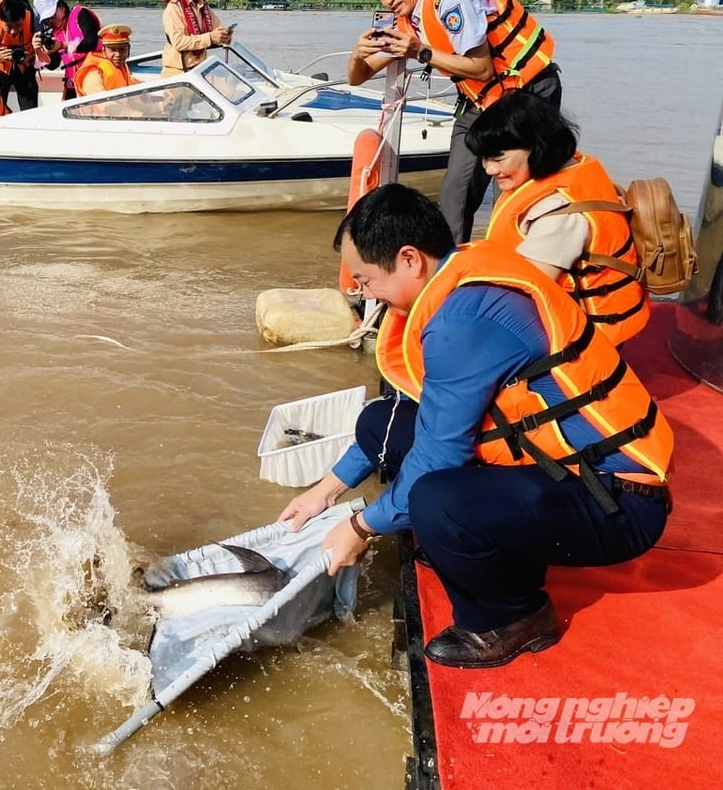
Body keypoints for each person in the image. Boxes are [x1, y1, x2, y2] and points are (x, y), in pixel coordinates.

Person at [278, 183, 672, 668]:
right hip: (558, 471)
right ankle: (485, 544)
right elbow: (406, 416)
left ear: (409, 259)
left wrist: (360, 528)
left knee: (436, 502)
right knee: (381, 421)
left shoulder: (464, 320)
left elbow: (438, 458)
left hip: (619, 501)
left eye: (366, 280)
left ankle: (515, 616)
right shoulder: (457, 273)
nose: (364, 293)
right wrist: (325, 491)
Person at [347, 0, 562, 243]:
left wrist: (420, 52)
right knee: (454, 195)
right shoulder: (409, 22)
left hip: (527, 92)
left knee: (513, 193)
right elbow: (357, 77)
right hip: (483, 100)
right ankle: (450, 264)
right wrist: (357, 54)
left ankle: (512, 260)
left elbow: (482, 68)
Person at [465, 91, 649, 346]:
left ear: (537, 147)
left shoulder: (559, 214)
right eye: (484, 159)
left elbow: (525, 292)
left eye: (498, 158)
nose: (489, 169)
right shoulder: (574, 167)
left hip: (588, 338)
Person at [160, 0, 232, 77]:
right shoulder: (174, 7)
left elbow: (217, 30)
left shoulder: (204, 7)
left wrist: (225, 36)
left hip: (199, 72)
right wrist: (210, 37)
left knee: (229, 86)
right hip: (177, 73)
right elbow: (179, 42)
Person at [31, 0, 101, 100]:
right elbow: (53, 65)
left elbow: (92, 42)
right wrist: (39, 51)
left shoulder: (81, 14)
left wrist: (63, 45)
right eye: (47, 20)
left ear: (62, 7)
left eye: (52, 16)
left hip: (95, 76)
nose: (51, 21)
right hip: (72, 83)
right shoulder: (54, 34)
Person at [73, 24, 140, 96]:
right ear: (103, 50)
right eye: (113, 50)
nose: (118, 54)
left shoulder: (121, 66)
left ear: (128, 49)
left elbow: (131, 83)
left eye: (122, 50)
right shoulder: (93, 73)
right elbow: (100, 100)